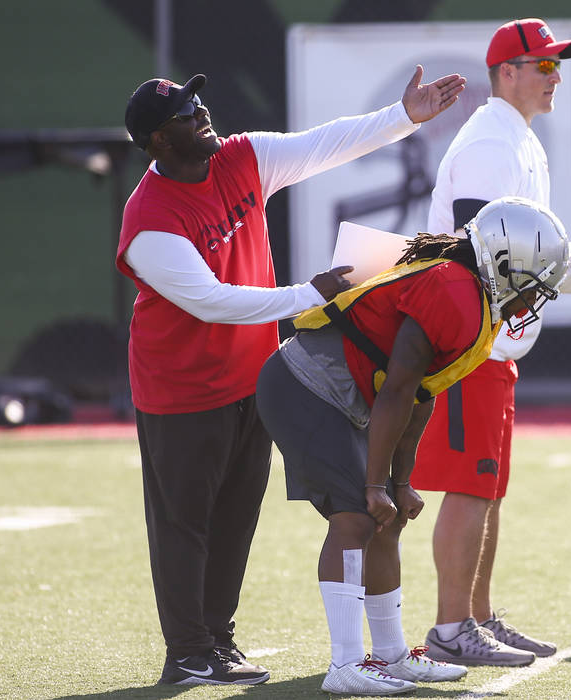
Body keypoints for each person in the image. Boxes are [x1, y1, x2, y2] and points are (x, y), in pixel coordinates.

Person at [115, 67, 465, 686]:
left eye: (200, 103)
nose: (203, 116)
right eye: (186, 117)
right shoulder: (149, 218)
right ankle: (188, 651)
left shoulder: (238, 157)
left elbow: (323, 143)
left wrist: (403, 117)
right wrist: (311, 294)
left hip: (251, 377)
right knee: (184, 523)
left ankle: (218, 641)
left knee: (236, 515)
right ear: (158, 143)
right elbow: (213, 301)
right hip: (181, 388)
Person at [255, 197, 570, 695]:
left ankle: (392, 655)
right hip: (304, 384)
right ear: (506, 266)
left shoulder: (475, 303)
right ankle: (344, 665)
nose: (532, 302)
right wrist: (377, 483)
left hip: (343, 395)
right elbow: (399, 388)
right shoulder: (454, 290)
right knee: (357, 515)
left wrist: (399, 483)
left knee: (386, 518)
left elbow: (420, 396)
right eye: (533, 286)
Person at [411, 18, 571, 667]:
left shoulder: (516, 136)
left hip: (497, 339)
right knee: (470, 485)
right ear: (508, 72)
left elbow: (520, 253)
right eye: (544, 65)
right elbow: (482, 250)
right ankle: (450, 628)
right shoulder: (490, 142)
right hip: (471, 336)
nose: (555, 77)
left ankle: (477, 616)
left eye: (558, 66)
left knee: (488, 485)